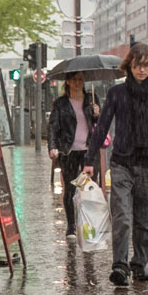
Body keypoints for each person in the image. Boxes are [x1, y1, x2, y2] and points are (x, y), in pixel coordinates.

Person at [83, 42, 148, 286]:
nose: (142, 70)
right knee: (122, 217)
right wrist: (89, 160)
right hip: (121, 163)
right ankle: (120, 265)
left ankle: (139, 264)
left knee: (143, 219)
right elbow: (103, 127)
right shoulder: (117, 94)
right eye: (137, 65)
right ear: (129, 65)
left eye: (146, 65)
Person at [47, 74, 99, 238]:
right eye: (75, 79)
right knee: (70, 189)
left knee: (88, 189)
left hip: (88, 152)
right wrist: (52, 146)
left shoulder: (91, 98)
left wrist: (97, 113)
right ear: (67, 82)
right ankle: (71, 225)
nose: (78, 83)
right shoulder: (61, 103)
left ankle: (88, 225)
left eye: (81, 79)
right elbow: (53, 126)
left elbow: (100, 124)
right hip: (69, 151)